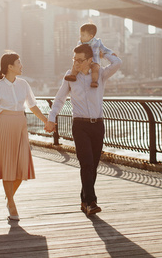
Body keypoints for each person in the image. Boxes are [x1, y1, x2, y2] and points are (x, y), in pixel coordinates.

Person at [45, 43, 122, 216]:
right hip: (79, 125)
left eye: (80, 60)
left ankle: (83, 199)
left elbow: (117, 63)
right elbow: (59, 100)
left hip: (98, 125)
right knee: (86, 162)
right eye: (74, 60)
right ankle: (92, 201)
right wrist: (51, 119)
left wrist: (105, 54)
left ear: (89, 60)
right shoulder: (70, 76)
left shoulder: (100, 74)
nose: (76, 63)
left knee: (92, 165)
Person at [0, 52, 48, 223]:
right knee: (7, 166)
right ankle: (11, 203)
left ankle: (9, 196)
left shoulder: (24, 84)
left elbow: (33, 106)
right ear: (10, 67)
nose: (22, 65)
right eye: (19, 63)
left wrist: (46, 121)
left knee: (21, 166)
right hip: (4, 124)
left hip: (20, 124)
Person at [64, 23, 115, 88]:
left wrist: (110, 53)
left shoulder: (97, 42)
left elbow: (104, 48)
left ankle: (94, 82)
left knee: (95, 70)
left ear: (91, 36)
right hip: (83, 60)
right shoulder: (80, 43)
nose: (80, 37)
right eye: (80, 35)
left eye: (83, 35)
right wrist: (76, 59)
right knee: (75, 66)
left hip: (94, 61)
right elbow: (77, 51)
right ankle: (73, 75)